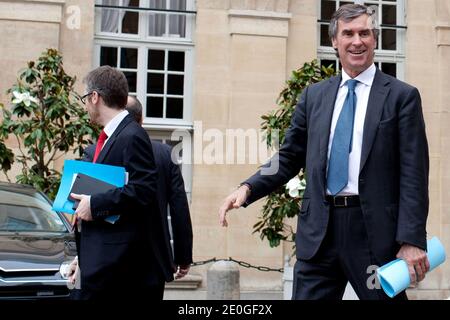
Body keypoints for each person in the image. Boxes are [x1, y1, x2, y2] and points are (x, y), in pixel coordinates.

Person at [219, 3, 430, 300]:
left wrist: (410, 239)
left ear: (375, 40)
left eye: (364, 33)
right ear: (334, 41)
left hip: (374, 236)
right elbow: (289, 155)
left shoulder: (401, 97)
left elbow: (414, 174)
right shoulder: (314, 96)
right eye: (348, 33)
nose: (357, 41)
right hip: (319, 232)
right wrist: (248, 186)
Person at [68, 65, 173, 300]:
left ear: (95, 97)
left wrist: (94, 204)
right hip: (102, 263)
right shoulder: (113, 135)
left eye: (85, 99)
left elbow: (143, 188)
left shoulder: (132, 135)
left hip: (119, 269)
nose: (85, 106)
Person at [69, 97, 193, 287]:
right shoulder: (165, 155)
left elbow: (83, 211)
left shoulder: (95, 152)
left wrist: (82, 256)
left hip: (108, 259)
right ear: (141, 119)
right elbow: (179, 209)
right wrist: (183, 256)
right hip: (152, 258)